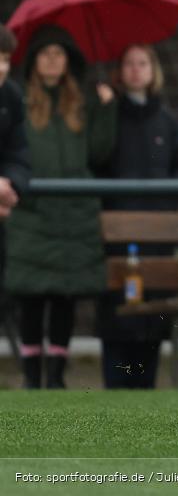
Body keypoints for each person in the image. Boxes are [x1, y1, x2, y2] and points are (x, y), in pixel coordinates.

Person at [6, 25, 117, 389]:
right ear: (35, 62)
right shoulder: (18, 102)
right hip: (31, 213)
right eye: (45, 54)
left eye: (59, 54)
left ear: (68, 62)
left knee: (65, 296)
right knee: (32, 296)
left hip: (75, 215)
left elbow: (99, 153)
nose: (53, 60)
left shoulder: (82, 105)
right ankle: (31, 375)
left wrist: (106, 110)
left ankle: (56, 376)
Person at [96, 43, 178, 389]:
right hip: (118, 236)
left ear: (153, 70)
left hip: (157, 236)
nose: (136, 69)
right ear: (120, 71)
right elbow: (95, 156)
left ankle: (146, 388)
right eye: (129, 63)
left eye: (143, 63)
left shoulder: (166, 120)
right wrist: (102, 109)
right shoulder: (109, 116)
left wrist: (169, 195)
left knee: (152, 314)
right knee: (117, 311)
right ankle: (114, 384)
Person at [0, 25, 31, 359]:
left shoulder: (9, 95)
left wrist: (11, 185)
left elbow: (20, 154)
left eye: (6, 58)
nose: (2, 67)